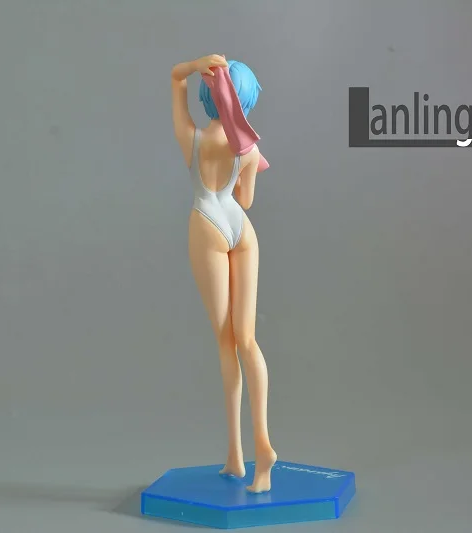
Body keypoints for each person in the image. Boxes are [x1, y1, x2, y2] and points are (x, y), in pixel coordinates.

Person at [170, 54, 277, 493]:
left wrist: (196, 64)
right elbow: (245, 201)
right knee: (247, 339)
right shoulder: (248, 151)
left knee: (225, 342)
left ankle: (237, 450)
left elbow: (175, 78)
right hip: (240, 227)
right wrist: (243, 165)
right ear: (245, 101)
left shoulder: (192, 139)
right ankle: (253, 448)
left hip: (207, 224)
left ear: (207, 96)